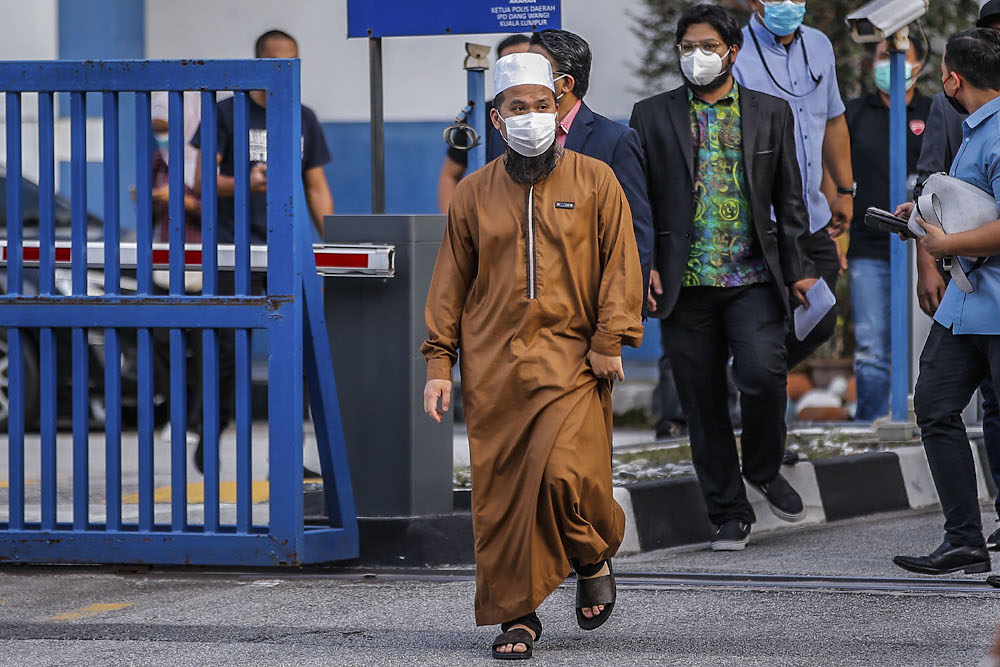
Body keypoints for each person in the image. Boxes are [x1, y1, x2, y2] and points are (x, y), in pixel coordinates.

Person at [421, 52, 643, 659]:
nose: (531, 117)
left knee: (568, 475)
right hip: (495, 371)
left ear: (557, 107)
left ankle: (592, 550)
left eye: (541, 107)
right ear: (498, 120)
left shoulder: (596, 181)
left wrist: (610, 339)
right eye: (518, 109)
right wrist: (440, 364)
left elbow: (621, 263)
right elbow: (450, 283)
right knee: (500, 499)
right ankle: (515, 615)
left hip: (573, 359)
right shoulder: (473, 194)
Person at [630, 4, 816, 552]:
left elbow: (790, 197)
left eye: (707, 46)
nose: (696, 56)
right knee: (701, 402)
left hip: (754, 278)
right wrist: (643, 271)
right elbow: (637, 203)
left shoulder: (769, 112)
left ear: (731, 51)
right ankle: (729, 512)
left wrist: (801, 270)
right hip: (683, 283)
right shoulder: (651, 114)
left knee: (762, 376)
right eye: (687, 47)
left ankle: (762, 464)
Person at [190, 29, 333, 475]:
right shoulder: (225, 113)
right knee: (228, 354)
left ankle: (290, 461)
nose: (283, 71)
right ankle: (210, 430)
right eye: (275, 62)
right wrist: (244, 184)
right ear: (257, 64)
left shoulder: (302, 117)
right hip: (235, 250)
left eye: (291, 62)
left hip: (287, 253)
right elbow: (200, 183)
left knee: (297, 352)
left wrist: (333, 243)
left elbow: (316, 186)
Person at [892, 28, 1000, 577]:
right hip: (967, 307)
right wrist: (921, 218)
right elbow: (969, 208)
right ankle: (964, 539)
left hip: (995, 306)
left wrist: (945, 244)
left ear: (953, 78)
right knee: (934, 406)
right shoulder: (974, 129)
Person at [733, 0, 853, 367]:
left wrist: (845, 191)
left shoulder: (819, 44)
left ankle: (756, 382)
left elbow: (832, 121)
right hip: (761, 221)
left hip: (813, 215)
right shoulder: (735, 50)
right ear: (754, 2)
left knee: (818, 320)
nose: (789, 3)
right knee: (768, 319)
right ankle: (755, 393)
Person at [526, 29, 653, 302]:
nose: (523, 77)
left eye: (534, 69)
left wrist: (625, 311)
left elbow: (634, 233)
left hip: (586, 303)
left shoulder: (614, 140)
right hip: (519, 304)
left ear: (566, 83)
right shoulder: (504, 136)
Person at [846, 35, 930, 421]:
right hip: (870, 247)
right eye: (884, 55)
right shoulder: (853, 114)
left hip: (926, 250)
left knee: (924, 344)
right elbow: (836, 177)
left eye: (898, 55)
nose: (891, 63)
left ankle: (922, 417)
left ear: (918, 63)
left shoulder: (935, 113)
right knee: (872, 348)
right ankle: (870, 424)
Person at [436, 34, 530, 213]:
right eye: (511, 64)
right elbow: (449, 176)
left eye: (526, 62)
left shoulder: (553, 114)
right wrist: (453, 226)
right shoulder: (479, 116)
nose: (520, 71)